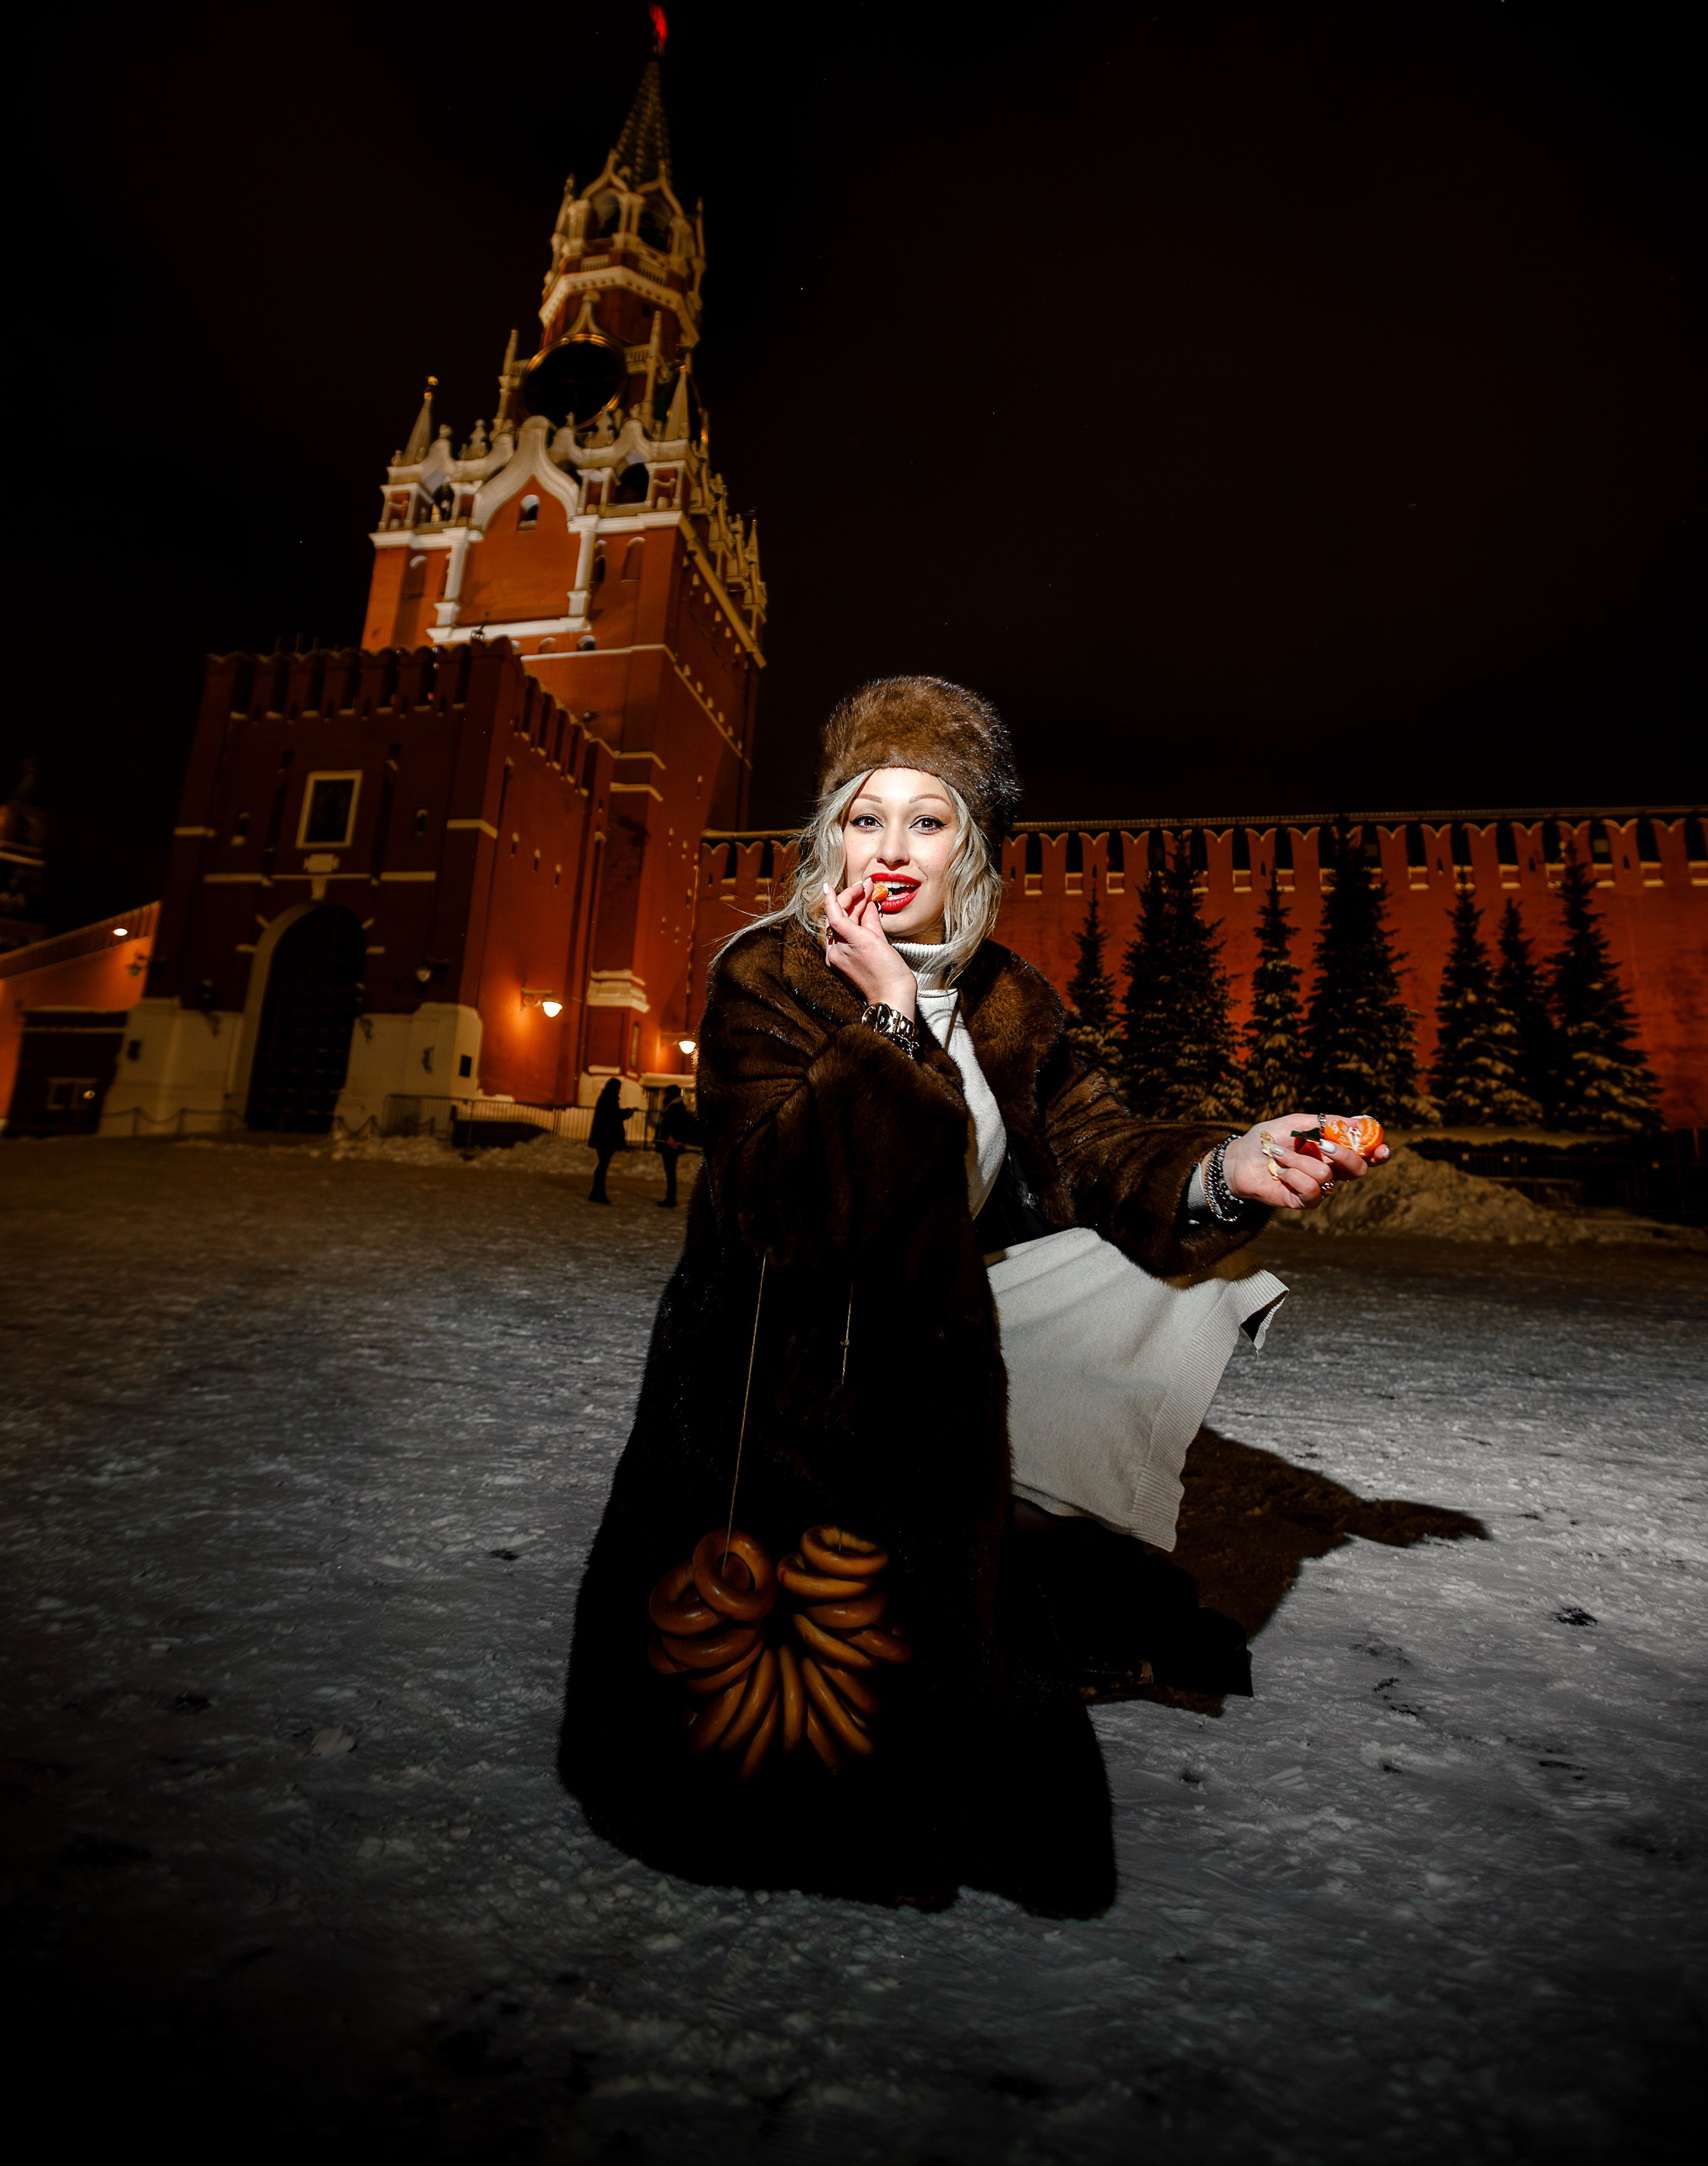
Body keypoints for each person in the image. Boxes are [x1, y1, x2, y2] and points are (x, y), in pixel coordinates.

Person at [560, 676, 1386, 1916]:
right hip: (770, 1403)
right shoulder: (769, 978)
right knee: (778, 1729)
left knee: (990, 1762)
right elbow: (785, 1210)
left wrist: (1234, 1163)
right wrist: (888, 1028)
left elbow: (1105, 1157)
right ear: (826, 837)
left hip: (929, 1386)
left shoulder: (1013, 1005)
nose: (891, 852)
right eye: (863, 818)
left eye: (927, 820)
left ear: (974, 848)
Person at [586, 1076, 636, 1206]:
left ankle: (597, 1192)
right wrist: (627, 1114)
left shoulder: (606, 1098)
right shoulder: (610, 1099)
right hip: (606, 1138)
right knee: (603, 1166)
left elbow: (612, 1115)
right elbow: (614, 1116)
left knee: (602, 1165)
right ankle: (598, 1193)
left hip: (602, 1138)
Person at [654, 1088, 699, 1209]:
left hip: (670, 1143)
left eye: (665, 1093)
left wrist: (673, 1139)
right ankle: (670, 1197)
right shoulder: (674, 1106)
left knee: (670, 1171)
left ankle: (671, 1198)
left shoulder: (675, 1107)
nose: (663, 1096)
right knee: (670, 1171)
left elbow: (676, 1124)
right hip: (670, 1142)